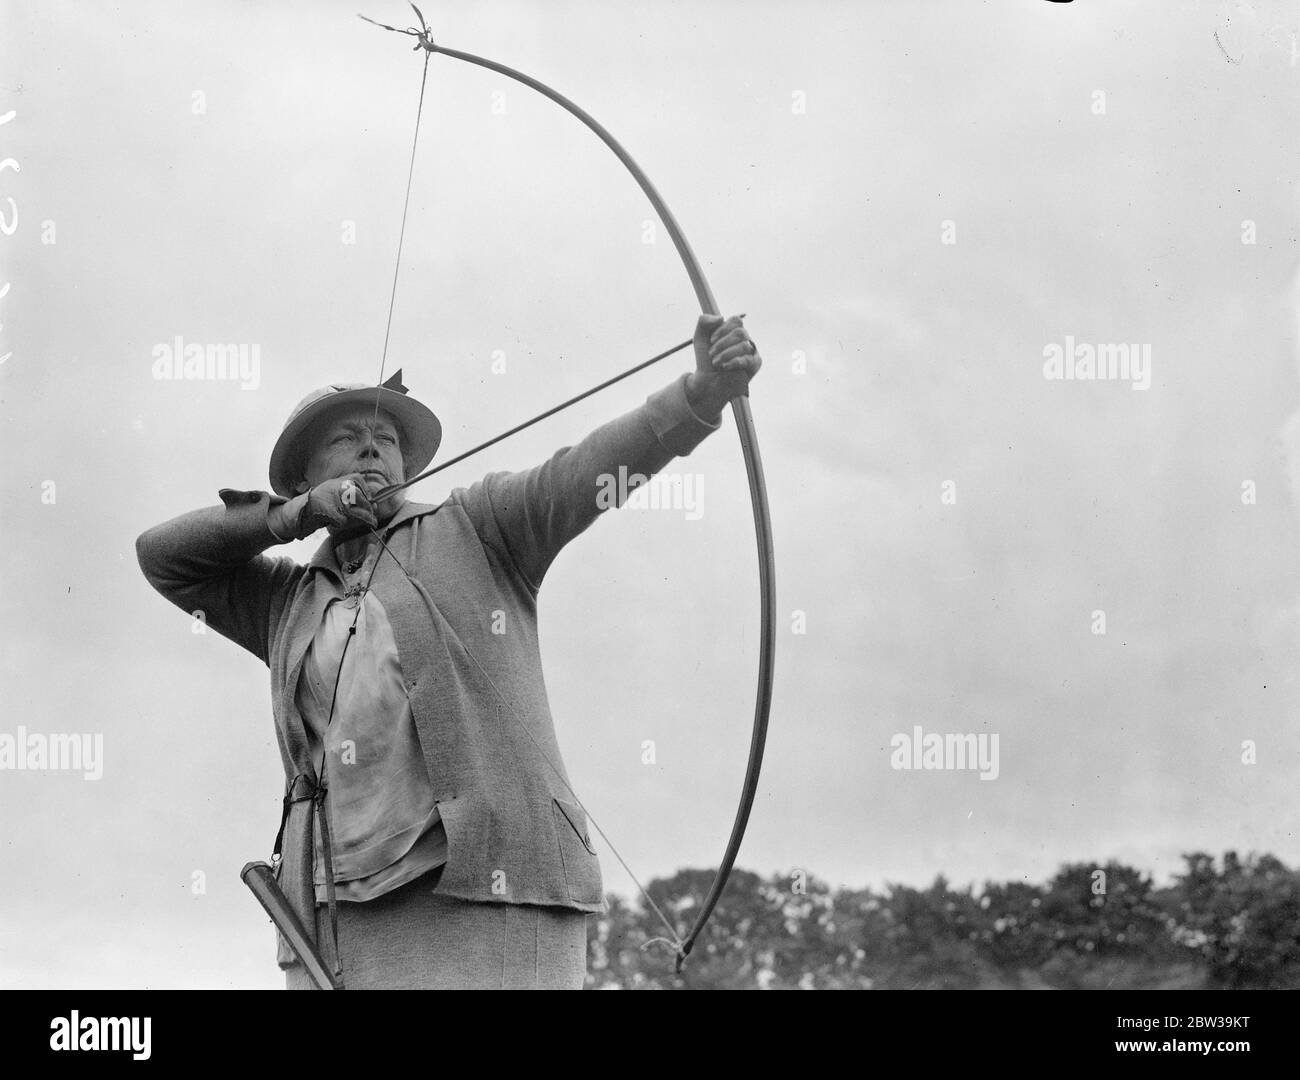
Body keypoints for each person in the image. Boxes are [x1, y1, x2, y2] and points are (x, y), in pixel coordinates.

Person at [136, 314, 762, 989]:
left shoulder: (479, 528)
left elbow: (585, 473)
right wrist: (295, 517)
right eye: (347, 439)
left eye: (386, 439)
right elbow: (163, 558)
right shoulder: (285, 601)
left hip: (490, 898)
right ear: (303, 477)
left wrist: (699, 394)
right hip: (335, 916)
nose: (371, 448)